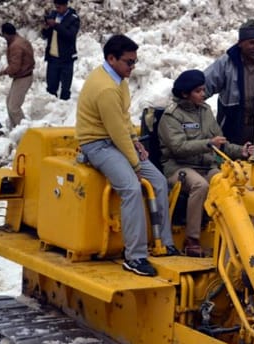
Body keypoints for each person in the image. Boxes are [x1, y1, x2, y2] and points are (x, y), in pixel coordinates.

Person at [76, 34, 180, 277]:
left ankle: (164, 242)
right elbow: (115, 130)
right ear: (111, 59)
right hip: (97, 144)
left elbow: (123, 119)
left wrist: (135, 142)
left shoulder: (119, 80)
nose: (132, 67)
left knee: (158, 181)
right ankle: (135, 256)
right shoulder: (105, 88)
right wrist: (135, 163)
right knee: (131, 188)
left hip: (117, 140)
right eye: (128, 62)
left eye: (135, 62)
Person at [158, 69, 254, 257]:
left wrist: (241, 151)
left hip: (206, 166)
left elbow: (220, 143)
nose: (203, 94)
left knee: (227, 182)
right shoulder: (171, 116)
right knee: (200, 186)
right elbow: (178, 147)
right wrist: (208, 144)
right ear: (185, 94)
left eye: (203, 90)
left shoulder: (205, 111)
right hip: (178, 167)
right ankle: (192, 239)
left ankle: (230, 233)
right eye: (198, 91)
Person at [203, 19, 254, 146]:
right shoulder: (227, 63)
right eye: (252, 43)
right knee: (229, 157)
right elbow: (203, 86)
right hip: (231, 126)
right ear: (240, 43)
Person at [41, 0, 80, 100]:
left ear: (65, 5)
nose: (57, 10)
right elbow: (46, 35)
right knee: (51, 88)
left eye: (59, 7)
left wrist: (55, 25)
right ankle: (51, 106)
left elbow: (70, 35)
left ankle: (64, 106)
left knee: (65, 88)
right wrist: (45, 28)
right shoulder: (53, 15)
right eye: (56, 7)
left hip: (66, 59)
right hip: (53, 58)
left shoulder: (73, 18)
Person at [0, 23, 34, 127]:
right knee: (9, 102)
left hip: (23, 77)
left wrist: (4, 72)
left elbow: (15, 67)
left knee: (14, 107)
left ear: (5, 34)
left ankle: (23, 130)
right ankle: (14, 127)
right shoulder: (20, 40)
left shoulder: (15, 46)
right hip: (23, 75)